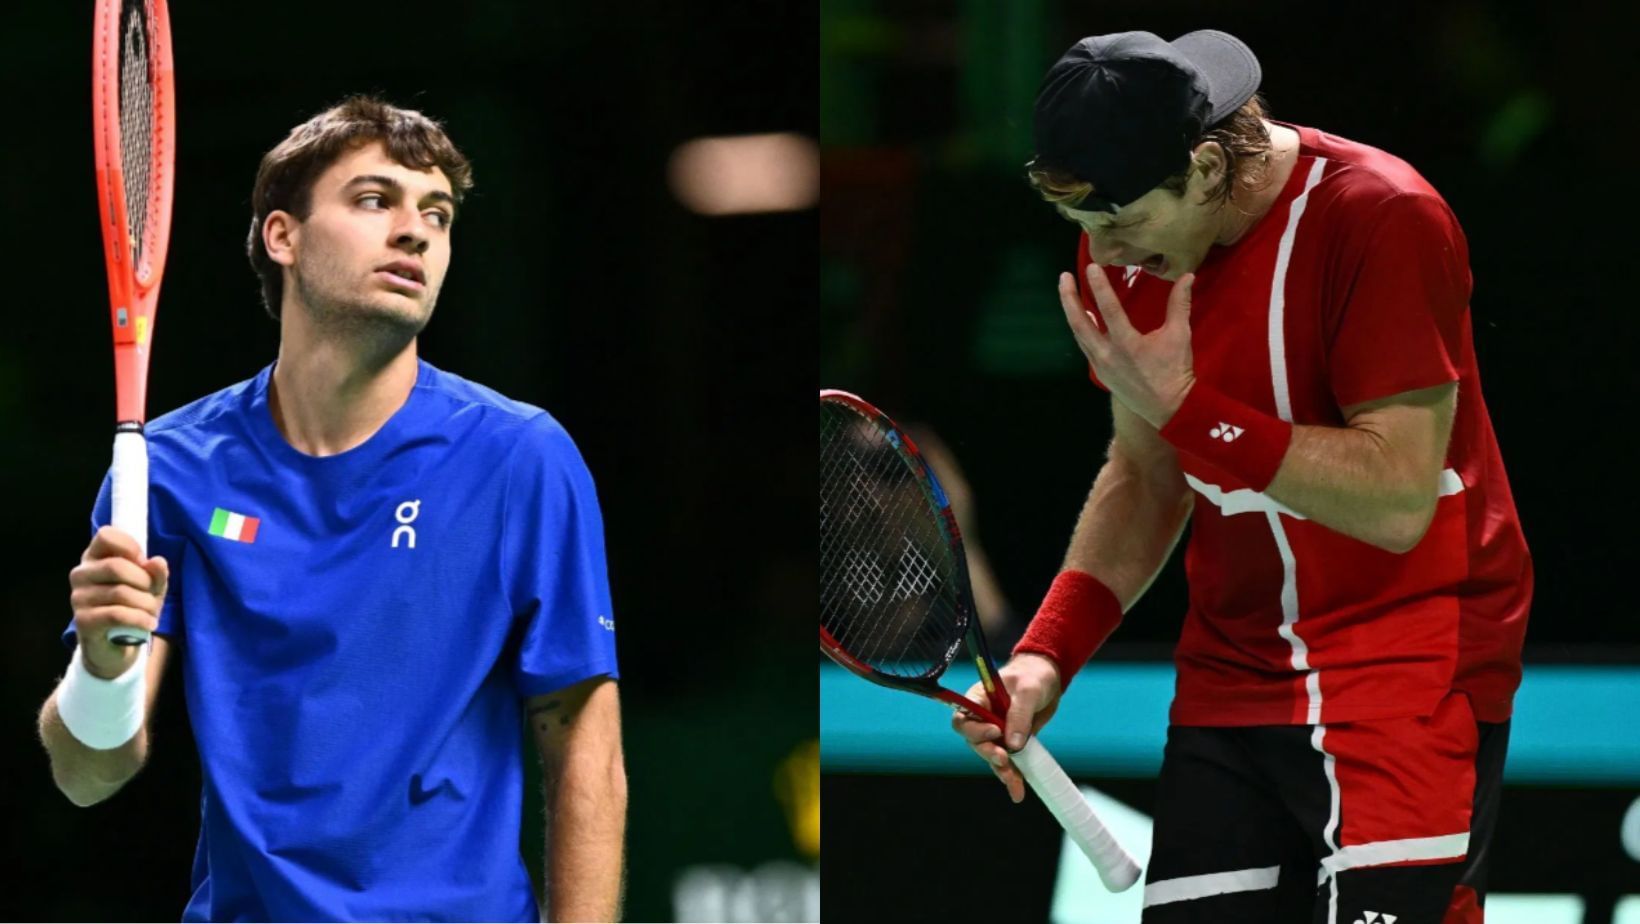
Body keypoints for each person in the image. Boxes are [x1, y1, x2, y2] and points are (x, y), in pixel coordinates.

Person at [950, 30, 1531, 924]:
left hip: (1407, 662)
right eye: (1087, 226)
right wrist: (1045, 654)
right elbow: (1145, 475)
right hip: (1233, 672)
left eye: (1125, 219)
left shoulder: (1382, 217)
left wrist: (1188, 412)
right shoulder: (1124, 253)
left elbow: (1397, 497)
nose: (1107, 253)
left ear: (1211, 168)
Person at [36, 96, 627, 922]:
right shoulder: (169, 469)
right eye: (375, 200)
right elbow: (88, 774)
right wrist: (101, 664)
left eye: (438, 214)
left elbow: (585, 749)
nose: (416, 232)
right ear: (283, 236)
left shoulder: (519, 458)